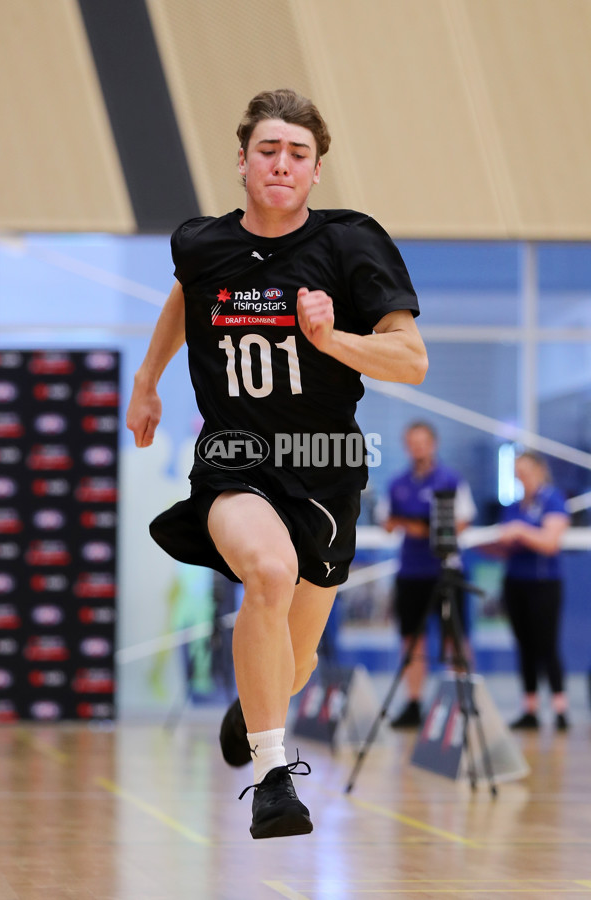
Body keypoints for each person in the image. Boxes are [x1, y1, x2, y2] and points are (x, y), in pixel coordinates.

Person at [126, 88, 428, 839]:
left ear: (316, 170)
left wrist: (333, 342)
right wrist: (146, 381)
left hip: (325, 469)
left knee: (293, 661)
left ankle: (253, 706)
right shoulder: (202, 244)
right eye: (268, 149)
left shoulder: (351, 244)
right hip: (235, 459)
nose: (281, 163)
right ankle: (272, 779)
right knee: (265, 571)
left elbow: (411, 360)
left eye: (297, 153)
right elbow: (183, 298)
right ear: (242, 160)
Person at [383, 421, 476, 728]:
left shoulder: (450, 479)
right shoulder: (397, 483)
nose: (418, 448)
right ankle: (413, 703)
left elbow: (462, 520)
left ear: (433, 444)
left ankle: (462, 700)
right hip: (411, 571)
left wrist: (428, 529)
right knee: (412, 639)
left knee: (455, 637)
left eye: (423, 442)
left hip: (445, 570)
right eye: (412, 442)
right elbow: (388, 521)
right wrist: (411, 526)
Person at [494, 451, 570, 730]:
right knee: (524, 646)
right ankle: (530, 709)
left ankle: (561, 709)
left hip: (545, 584)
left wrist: (520, 532)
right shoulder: (513, 506)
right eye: (517, 472)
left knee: (547, 645)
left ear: (539, 470)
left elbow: (550, 543)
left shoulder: (552, 500)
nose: (521, 477)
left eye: (525, 471)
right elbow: (504, 543)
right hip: (516, 582)